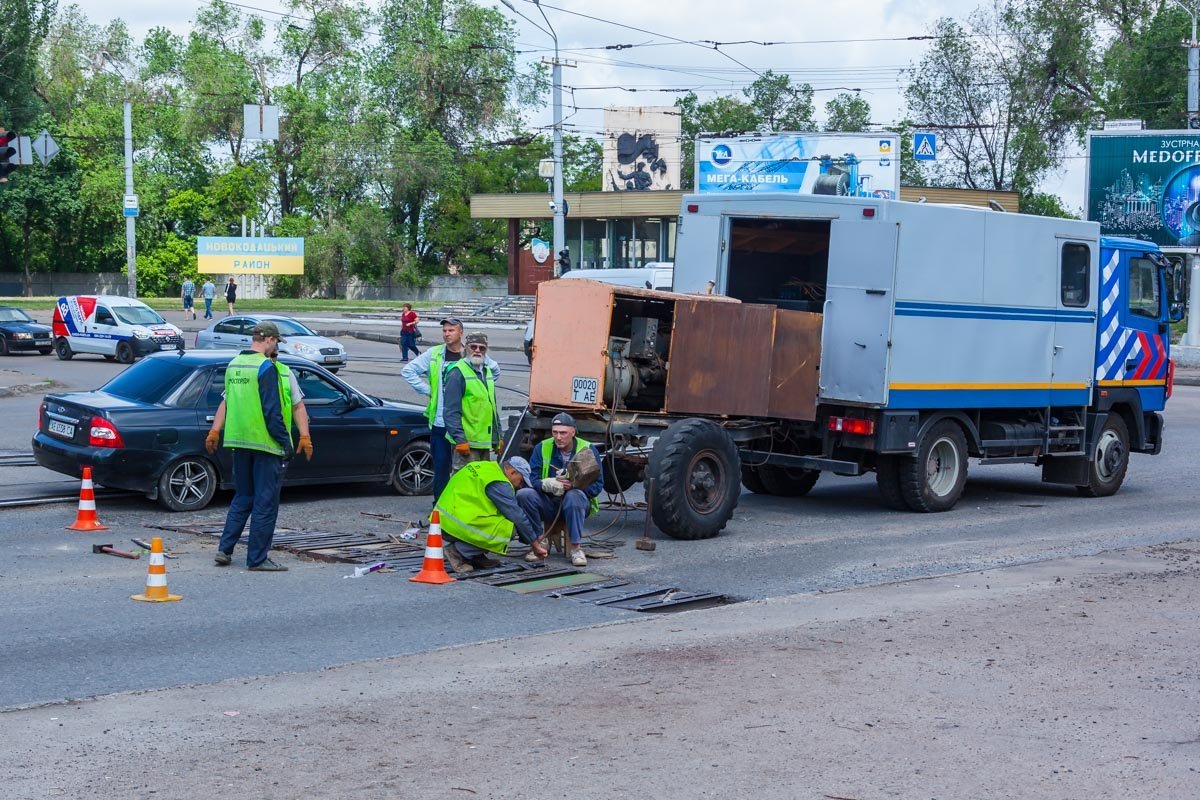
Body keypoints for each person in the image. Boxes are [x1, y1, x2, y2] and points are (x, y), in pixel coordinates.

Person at [205, 322, 311, 571]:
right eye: (276, 341)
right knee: (265, 503)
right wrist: (286, 443)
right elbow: (272, 411)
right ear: (269, 339)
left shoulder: (234, 365)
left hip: (239, 443)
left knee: (243, 497)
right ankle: (258, 558)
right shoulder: (267, 368)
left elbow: (228, 402)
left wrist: (215, 431)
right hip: (265, 444)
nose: (276, 346)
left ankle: (224, 549)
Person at [401, 317, 500, 504]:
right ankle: (439, 508)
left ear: (460, 333)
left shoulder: (473, 352)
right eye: (445, 331)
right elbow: (408, 371)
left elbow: (494, 371)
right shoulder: (436, 353)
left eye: (451, 330)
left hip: (466, 426)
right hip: (441, 422)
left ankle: (459, 507)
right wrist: (431, 391)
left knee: (465, 471)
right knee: (442, 468)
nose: (447, 334)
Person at [516, 412, 604, 567]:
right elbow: (532, 479)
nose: (558, 437)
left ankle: (576, 548)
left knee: (574, 496)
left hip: (577, 505)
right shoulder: (542, 447)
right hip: (550, 502)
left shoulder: (587, 449)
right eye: (555, 432)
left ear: (573, 432)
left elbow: (598, 485)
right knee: (524, 494)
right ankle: (538, 542)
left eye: (563, 433)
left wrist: (575, 487)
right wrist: (547, 484)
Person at [435, 456, 541, 573]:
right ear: (513, 472)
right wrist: (534, 543)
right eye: (521, 481)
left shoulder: (487, 467)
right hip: (456, 524)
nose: (520, 486)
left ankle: (474, 556)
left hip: (442, 520)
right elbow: (517, 516)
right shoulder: (500, 483)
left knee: (496, 519)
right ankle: (456, 552)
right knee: (508, 529)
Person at [443, 331, 501, 474]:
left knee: (480, 486)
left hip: (483, 445)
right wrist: (460, 439)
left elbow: (491, 407)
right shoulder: (457, 372)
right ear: (466, 348)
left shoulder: (486, 372)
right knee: (465, 486)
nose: (477, 351)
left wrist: (498, 436)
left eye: (482, 348)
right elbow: (451, 411)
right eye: (473, 347)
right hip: (466, 445)